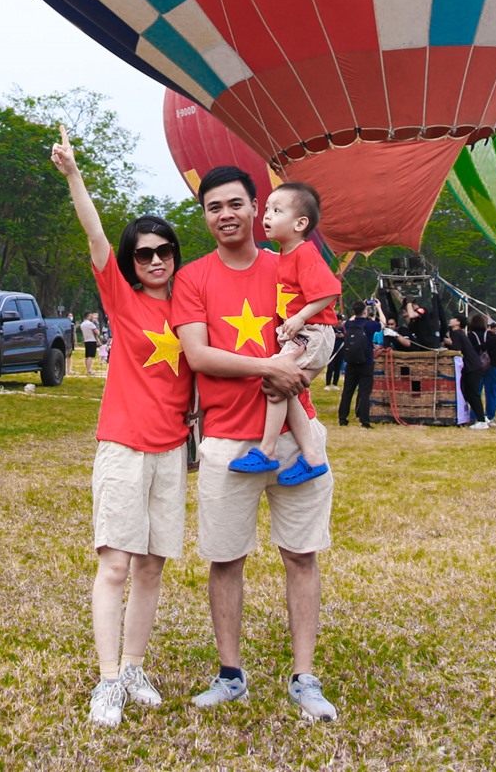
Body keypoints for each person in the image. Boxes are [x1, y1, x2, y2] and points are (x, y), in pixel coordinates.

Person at [174, 166, 337, 722]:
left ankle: (304, 676)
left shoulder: (290, 260)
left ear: (256, 207)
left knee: (301, 554)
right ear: (206, 216)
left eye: (236, 204)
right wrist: (269, 366)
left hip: (295, 435)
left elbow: (326, 332)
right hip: (226, 439)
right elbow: (197, 355)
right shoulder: (193, 277)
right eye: (213, 207)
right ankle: (230, 673)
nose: (226, 215)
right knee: (225, 559)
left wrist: (301, 373)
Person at [51, 131, 192, 729]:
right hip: (124, 446)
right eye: (144, 253)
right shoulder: (121, 297)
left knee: (153, 565)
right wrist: (74, 176)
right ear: (132, 262)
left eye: (164, 250)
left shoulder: (192, 307)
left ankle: (134, 666)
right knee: (115, 564)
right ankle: (109, 679)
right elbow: (95, 234)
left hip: (172, 451)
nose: (155, 260)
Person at [227, 183, 337, 486]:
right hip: (301, 332)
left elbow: (330, 291)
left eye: (277, 211)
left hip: (312, 332)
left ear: (300, 224)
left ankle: (266, 450)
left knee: (276, 378)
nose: (267, 216)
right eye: (266, 210)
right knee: (287, 390)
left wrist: (300, 317)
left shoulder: (305, 254)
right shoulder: (286, 253)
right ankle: (312, 458)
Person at [336, 303, 377, 429]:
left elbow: (350, 320)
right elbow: (383, 323)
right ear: (365, 311)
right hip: (366, 362)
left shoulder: (348, 324)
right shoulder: (370, 325)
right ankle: (364, 420)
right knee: (365, 393)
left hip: (351, 362)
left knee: (347, 391)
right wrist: (378, 308)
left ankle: (343, 418)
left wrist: (359, 310)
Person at [453, 316, 489, 429]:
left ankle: (482, 420)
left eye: (454, 319)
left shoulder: (457, 333)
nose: (451, 320)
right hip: (474, 366)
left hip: (472, 367)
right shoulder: (462, 334)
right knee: (469, 393)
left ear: (458, 323)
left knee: (473, 393)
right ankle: (480, 416)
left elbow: (457, 352)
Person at [80, 312, 101, 376]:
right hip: (92, 340)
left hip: (86, 340)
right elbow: (97, 333)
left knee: (87, 356)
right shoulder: (91, 324)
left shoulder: (82, 324)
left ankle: (87, 369)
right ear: (88, 316)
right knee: (91, 356)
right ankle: (89, 370)